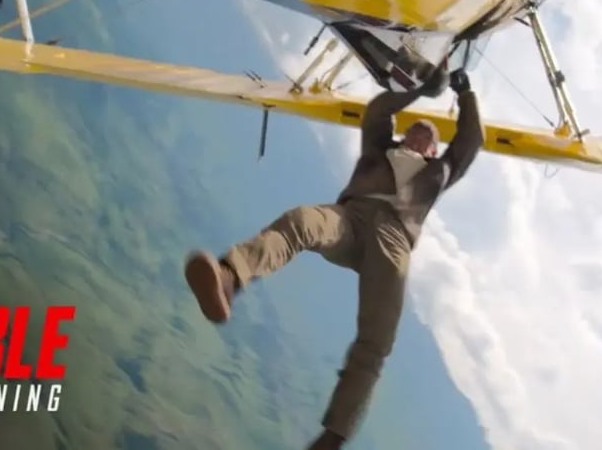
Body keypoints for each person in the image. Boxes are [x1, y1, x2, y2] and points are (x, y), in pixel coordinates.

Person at [184, 63, 483, 449]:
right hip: (351, 218)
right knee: (302, 221)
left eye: (426, 135)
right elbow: (378, 112)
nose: (418, 133)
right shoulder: (380, 147)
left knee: (377, 338)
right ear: (403, 135)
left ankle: (333, 436)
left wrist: (465, 93)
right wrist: (421, 89)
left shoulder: (441, 170)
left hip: (395, 237)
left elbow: (470, 140)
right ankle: (228, 278)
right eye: (413, 129)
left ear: (433, 150)